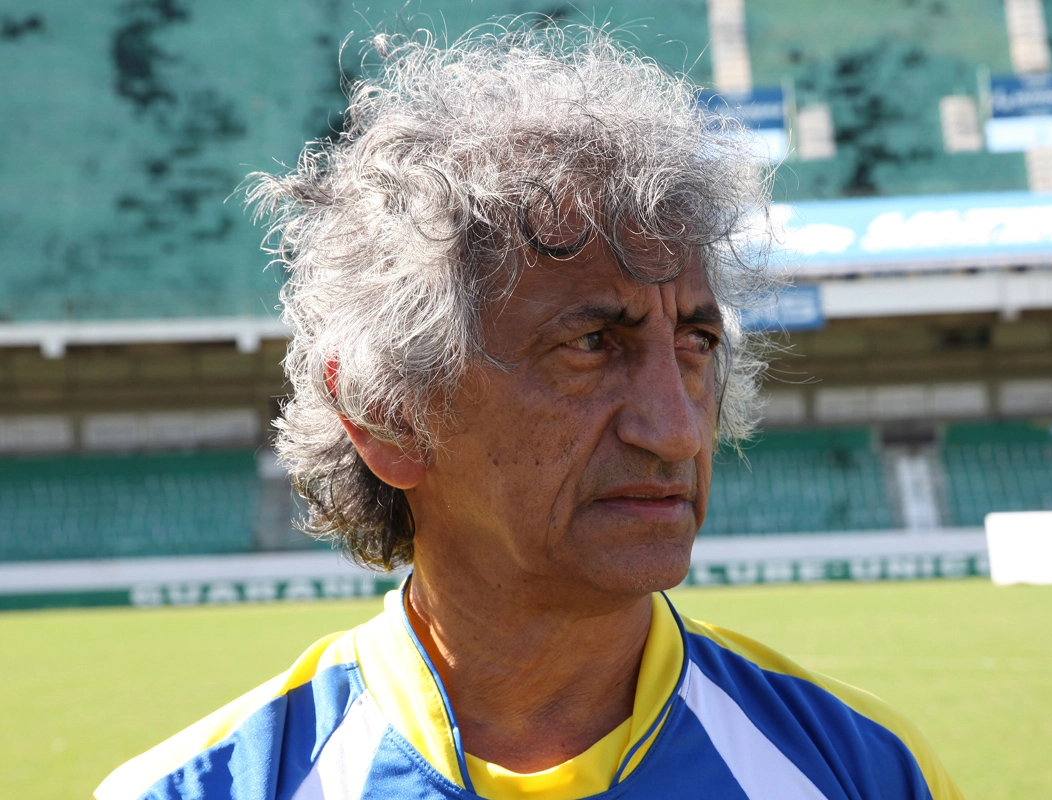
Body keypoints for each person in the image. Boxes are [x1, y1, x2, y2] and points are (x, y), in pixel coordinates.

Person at [96, 23, 963, 800]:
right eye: (589, 345)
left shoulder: (866, 770)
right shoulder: (203, 788)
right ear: (388, 414)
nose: (676, 430)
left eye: (694, 343)